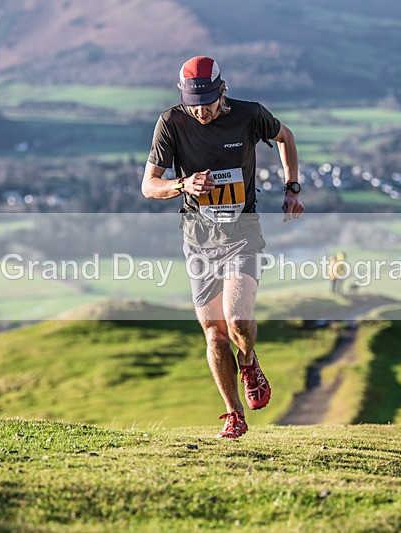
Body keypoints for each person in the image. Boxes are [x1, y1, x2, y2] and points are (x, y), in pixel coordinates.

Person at [141, 56, 304, 439]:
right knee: (214, 333)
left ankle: (248, 360)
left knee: (237, 321)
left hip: (242, 235)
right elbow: (149, 185)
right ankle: (234, 415)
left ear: (222, 90)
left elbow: (286, 138)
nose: (201, 110)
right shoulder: (171, 123)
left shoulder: (249, 115)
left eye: (209, 101)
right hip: (197, 241)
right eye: (193, 102)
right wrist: (183, 186)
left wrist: (292, 188)